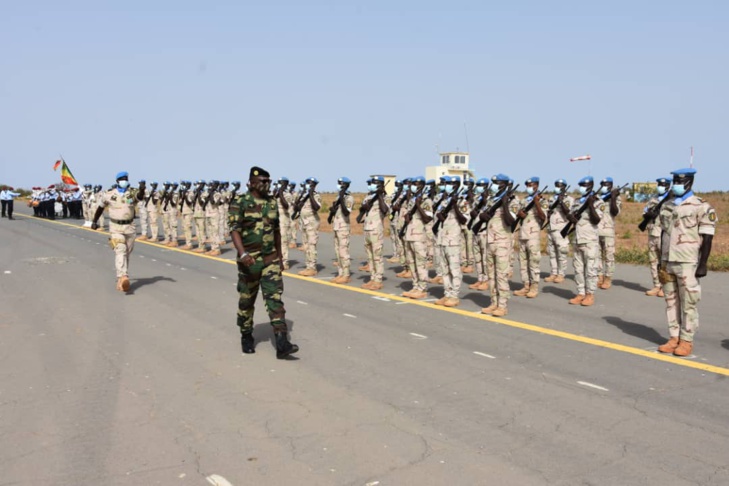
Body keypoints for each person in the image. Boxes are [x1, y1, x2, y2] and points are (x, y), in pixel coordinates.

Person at [229, 166, 298, 358]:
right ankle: (246, 335)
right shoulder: (240, 202)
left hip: (270, 260)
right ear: (251, 182)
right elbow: (234, 229)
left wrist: (280, 258)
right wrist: (242, 254)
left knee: (274, 299)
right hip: (249, 262)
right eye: (263, 181)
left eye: (269, 181)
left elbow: (276, 231)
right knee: (247, 300)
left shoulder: (272, 203)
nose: (267, 185)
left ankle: (282, 342)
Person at [656, 168, 716, 357]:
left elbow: (707, 237)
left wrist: (703, 263)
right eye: (675, 181)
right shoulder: (668, 205)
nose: (677, 185)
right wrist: (660, 260)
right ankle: (674, 337)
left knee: (688, 302)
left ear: (689, 183)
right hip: (668, 259)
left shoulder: (701, 206)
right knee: (671, 301)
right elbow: (664, 233)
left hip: (688, 260)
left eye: (680, 182)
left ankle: (686, 340)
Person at [91, 172, 146, 292]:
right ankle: (123, 276)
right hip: (115, 227)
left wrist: (142, 189)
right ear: (117, 181)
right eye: (122, 179)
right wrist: (94, 221)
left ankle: (121, 278)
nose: (124, 181)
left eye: (126, 179)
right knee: (120, 250)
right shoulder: (109, 194)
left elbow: (140, 197)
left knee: (126, 253)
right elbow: (100, 208)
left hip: (130, 227)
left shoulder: (132, 192)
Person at [479, 174, 518, 316]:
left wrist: (505, 203)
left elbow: (510, 221)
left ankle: (502, 305)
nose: (495, 185)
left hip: (502, 242)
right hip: (490, 241)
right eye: (494, 182)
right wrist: (483, 216)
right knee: (491, 275)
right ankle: (493, 302)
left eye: (498, 183)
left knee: (501, 275)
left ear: (506, 185)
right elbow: (484, 215)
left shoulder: (513, 201)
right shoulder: (492, 199)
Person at [567, 176, 604, 307]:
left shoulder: (598, 202)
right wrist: (571, 217)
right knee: (578, 269)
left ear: (591, 186)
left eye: (585, 185)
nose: (582, 187)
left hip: (589, 240)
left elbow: (596, 220)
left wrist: (590, 205)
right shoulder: (577, 201)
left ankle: (590, 294)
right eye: (581, 184)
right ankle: (580, 293)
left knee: (591, 269)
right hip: (577, 239)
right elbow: (570, 216)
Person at [434, 176, 465, 307]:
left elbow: (464, 220)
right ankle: (447, 293)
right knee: (444, 269)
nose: (447, 185)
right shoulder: (444, 200)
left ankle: (454, 295)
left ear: (457, 185)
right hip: (442, 239)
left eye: (450, 183)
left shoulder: (462, 201)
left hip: (453, 240)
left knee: (454, 269)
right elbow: (439, 215)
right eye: (446, 183)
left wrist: (455, 206)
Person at [513, 177, 547, 299]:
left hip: (533, 236)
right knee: (523, 263)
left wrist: (537, 203)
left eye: (531, 185)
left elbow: (543, 217)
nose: (529, 187)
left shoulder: (541, 200)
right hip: (522, 235)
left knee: (533, 262)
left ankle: (534, 287)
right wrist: (519, 214)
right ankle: (526, 285)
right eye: (527, 185)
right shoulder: (524, 200)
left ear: (537, 185)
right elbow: (518, 213)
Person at [401, 176, 433, 299]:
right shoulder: (412, 200)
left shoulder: (426, 201)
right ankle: (415, 286)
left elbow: (427, 218)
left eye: (416, 184)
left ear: (423, 185)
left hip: (419, 236)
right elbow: (408, 218)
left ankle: (422, 287)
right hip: (409, 234)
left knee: (420, 263)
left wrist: (418, 205)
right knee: (412, 262)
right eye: (413, 184)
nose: (414, 186)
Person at [360, 176, 390, 290]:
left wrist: (380, 196)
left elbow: (385, 210)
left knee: (377, 256)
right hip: (367, 228)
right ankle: (372, 278)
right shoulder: (368, 196)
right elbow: (362, 210)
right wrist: (364, 206)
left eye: (375, 183)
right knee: (370, 256)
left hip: (376, 230)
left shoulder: (386, 198)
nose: (372, 185)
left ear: (381, 185)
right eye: (372, 183)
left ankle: (378, 280)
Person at [643, 177, 671, 297]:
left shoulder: (670, 201)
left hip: (663, 234)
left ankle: (666, 287)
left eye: (663, 185)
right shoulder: (653, 199)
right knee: (653, 261)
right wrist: (648, 214)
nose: (660, 186)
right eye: (659, 184)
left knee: (664, 262)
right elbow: (644, 213)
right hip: (652, 234)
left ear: (668, 186)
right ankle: (656, 285)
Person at [544, 179, 574, 284]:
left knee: (562, 252)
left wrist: (561, 202)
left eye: (560, 186)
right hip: (551, 228)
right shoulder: (552, 198)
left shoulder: (569, 199)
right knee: (552, 253)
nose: (557, 187)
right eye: (556, 185)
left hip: (561, 229)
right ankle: (553, 273)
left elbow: (569, 213)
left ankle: (561, 274)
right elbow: (548, 212)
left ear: (564, 187)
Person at [596, 177, 622, 290]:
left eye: (606, 184)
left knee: (609, 256)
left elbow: (615, 212)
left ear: (611, 185)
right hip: (595, 230)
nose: (604, 186)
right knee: (596, 256)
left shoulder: (616, 198)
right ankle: (599, 276)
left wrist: (612, 198)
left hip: (608, 231)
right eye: (602, 184)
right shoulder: (597, 197)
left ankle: (608, 278)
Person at [295, 177, 322, 276]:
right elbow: (295, 206)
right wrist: (302, 194)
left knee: (311, 245)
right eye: (307, 183)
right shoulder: (304, 195)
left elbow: (317, 207)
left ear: (314, 185)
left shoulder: (315, 196)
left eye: (309, 184)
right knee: (306, 246)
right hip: (304, 223)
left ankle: (312, 268)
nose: (307, 185)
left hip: (312, 224)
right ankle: (308, 266)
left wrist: (310, 194)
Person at [330, 177, 355, 284]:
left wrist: (341, 198)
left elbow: (346, 212)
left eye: (341, 184)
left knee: (343, 251)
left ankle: (346, 274)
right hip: (336, 226)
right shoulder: (338, 197)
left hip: (343, 227)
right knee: (338, 252)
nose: (339, 185)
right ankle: (340, 273)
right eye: (338, 183)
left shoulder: (349, 198)